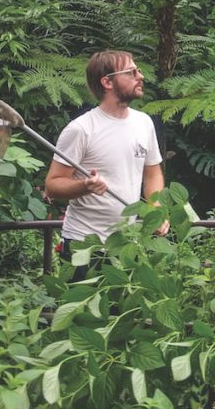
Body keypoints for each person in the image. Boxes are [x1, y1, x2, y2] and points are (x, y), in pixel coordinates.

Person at [45, 50, 168, 278]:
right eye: (131, 72)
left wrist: (155, 209)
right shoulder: (81, 129)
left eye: (138, 70)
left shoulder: (144, 123)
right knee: (82, 313)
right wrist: (84, 186)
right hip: (84, 244)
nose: (140, 76)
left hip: (125, 243)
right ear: (107, 82)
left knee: (122, 313)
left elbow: (152, 173)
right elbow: (52, 185)